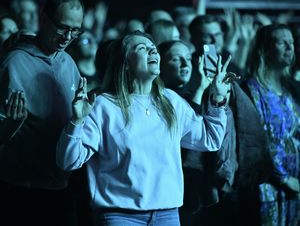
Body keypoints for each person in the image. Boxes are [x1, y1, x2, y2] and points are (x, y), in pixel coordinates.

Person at [56, 30, 230, 226]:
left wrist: (217, 100)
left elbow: (210, 139)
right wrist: (77, 121)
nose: (153, 52)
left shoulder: (171, 101)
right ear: (125, 63)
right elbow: (68, 161)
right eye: (142, 48)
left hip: (167, 214)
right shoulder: (104, 106)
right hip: (120, 216)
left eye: (153, 49)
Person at [158, 39, 273, 226]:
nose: (186, 64)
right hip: (178, 194)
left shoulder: (200, 94)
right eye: (175, 59)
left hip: (210, 191)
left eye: (188, 58)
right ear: (160, 65)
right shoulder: (161, 99)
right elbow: (189, 136)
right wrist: (204, 90)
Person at [0, 0, 84, 226]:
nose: (68, 36)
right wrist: (10, 125)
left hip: (61, 185)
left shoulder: (68, 61)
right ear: (44, 19)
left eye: (75, 30)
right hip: (22, 188)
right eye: (63, 27)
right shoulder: (15, 62)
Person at [244, 24, 300, 226]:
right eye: (282, 42)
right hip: (268, 184)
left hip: (296, 181)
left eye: (291, 42)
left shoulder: (292, 87)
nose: (289, 47)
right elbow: (258, 139)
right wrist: (283, 179)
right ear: (265, 49)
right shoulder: (251, 89)